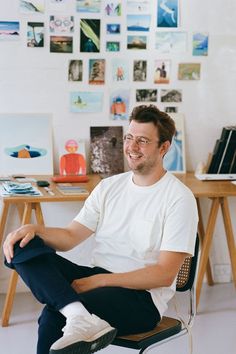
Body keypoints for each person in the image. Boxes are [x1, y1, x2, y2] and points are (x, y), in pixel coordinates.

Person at [3, 105, 198, 354]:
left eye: (142, 140)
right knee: (22, 244)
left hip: (141, 299)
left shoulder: (179, 198)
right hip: (98, 276)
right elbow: (71, 237)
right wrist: (34, 229)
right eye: (129, 138)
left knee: (53, 314)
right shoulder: (109, 187)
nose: (132, 146)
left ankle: (75, 314)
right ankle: (78, 316)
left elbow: (163, 274)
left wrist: (99, 281)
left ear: (164, 147)